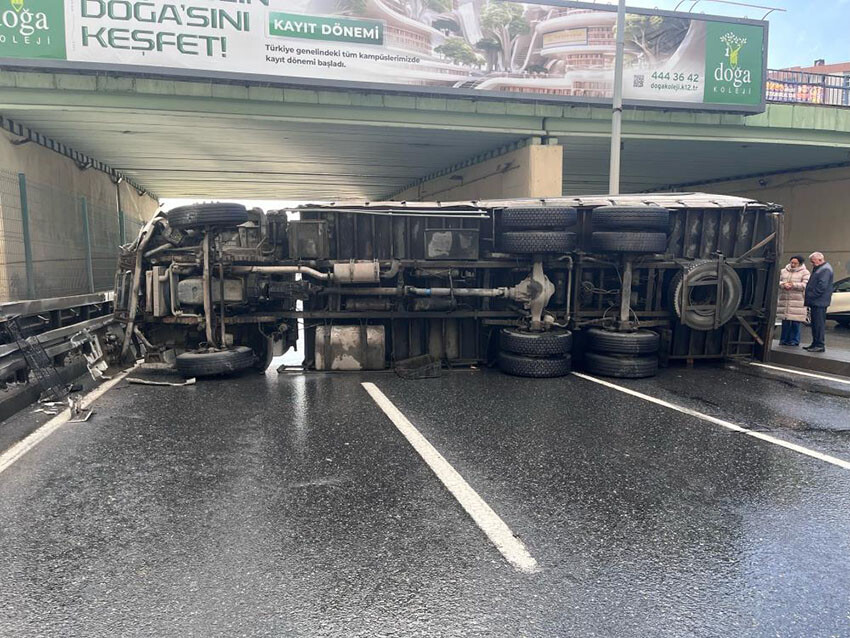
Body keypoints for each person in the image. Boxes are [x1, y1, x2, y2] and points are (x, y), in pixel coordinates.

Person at [804, 251, 834, 352]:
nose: (812, 264)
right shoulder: (822, 268)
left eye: (813, 261)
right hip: (817, 301)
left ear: (820, 260)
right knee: (815, 324)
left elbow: (822, 286)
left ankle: (819, 345)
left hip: (819, 302)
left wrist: (811, 295)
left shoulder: (825, 269)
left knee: (818, 324)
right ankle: (815, 343)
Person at [777, 255, 810, 346]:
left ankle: (794, 340)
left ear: (800, 264)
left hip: (798, 300)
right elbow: (777, 281)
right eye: (792, 262)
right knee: (785, 321)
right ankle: (784, 339)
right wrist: (783, 284)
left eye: (795, 263)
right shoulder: (783, 271)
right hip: (785, 299)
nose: (793, 264)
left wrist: (793, 285)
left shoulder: (805, 272)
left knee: (796, 322)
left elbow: (805, 285)